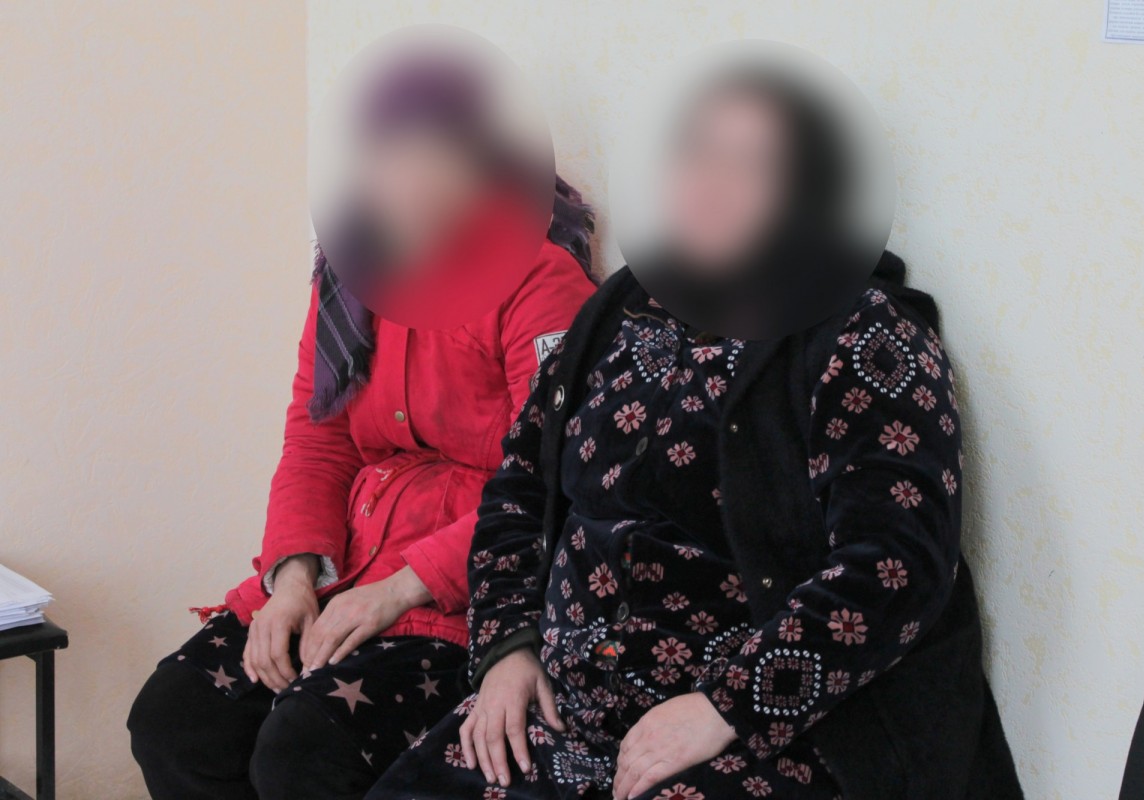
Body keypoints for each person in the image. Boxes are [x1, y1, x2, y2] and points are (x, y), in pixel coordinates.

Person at [368, 69, 1022, 799]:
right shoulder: (624, 305)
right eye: (697, 154)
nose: (711, 183)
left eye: (750, 164)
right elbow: (520, 485)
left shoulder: (868, 335)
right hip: (566, 710)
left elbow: (898, 564)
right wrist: (507, 650)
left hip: (769, 733)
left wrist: (726, 708)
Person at [126, 54, 597, 800]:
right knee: (174, 721)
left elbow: (549, 478)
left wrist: (402, 590)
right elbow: (317, 439)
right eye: (386, 152)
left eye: (435, 152)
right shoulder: (352, 276)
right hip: (345, 566)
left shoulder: (539, 280)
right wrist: (292, 579)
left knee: (303, 749)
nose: (408, 178)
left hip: (463, 592)